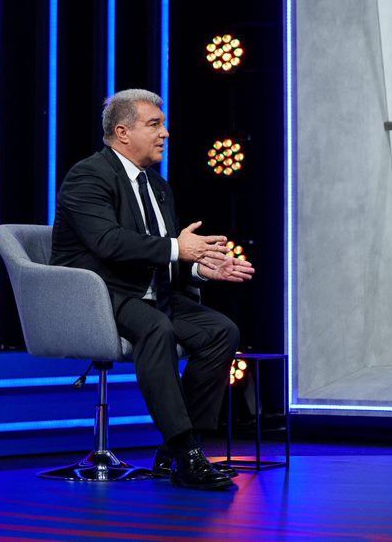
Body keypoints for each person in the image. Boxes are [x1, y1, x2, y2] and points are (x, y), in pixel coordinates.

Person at [51, 88, 255, 490]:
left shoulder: (158, 186)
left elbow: (164, 257)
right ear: (122, 132)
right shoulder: (88, 175)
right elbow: (108, 242)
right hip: (100, 295)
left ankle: (179, 450)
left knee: (221, 332)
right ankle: (186, 452)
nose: (166, 133)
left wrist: (199, 270)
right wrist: (181, 248)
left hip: (150, 292)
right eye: (154, 125)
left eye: (162, 124)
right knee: (155, 327)